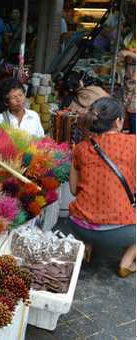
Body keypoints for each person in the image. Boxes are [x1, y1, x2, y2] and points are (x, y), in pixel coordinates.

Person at [68, 97, 136, 278]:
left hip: (79, 226)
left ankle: (86, 247)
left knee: (90, 201)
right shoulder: (133, 144)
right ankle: (127, 262)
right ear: (118, 121)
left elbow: (74, 190)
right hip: (119, 232)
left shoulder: (80, 148)